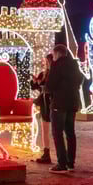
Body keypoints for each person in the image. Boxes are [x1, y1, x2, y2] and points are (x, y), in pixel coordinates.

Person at [45, 43, 85, 173]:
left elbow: (50, 84)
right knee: (70, 133)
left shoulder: (57, 65)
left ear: (57, 53)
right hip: (72, 102)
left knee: (57, 133)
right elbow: (80, 79)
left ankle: (61, 164)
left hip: (59, 104)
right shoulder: (74, 65)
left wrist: (47, 87)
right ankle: (70, 163)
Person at [31, 53, 54, 164]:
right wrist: (36, 82)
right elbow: (36, 87)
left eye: (48, 61)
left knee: (55, 131)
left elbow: (49, 87)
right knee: (45, 129)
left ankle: (55, 153)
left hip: (53, 103)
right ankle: (46, 152)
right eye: (46, 61)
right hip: (44, 103)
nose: (47, 63)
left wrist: (41, 85)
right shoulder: (43, 73)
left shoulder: (55, 74)